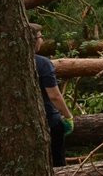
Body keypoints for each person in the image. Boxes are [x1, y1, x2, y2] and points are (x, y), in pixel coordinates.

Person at [30, 23, 74, 166]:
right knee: (57, 163)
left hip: (25, 123)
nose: (42, 40)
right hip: (49, 121)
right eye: (40, 36)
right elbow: (54, 95)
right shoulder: (43, 63)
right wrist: (68, 116)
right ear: (34, 40)